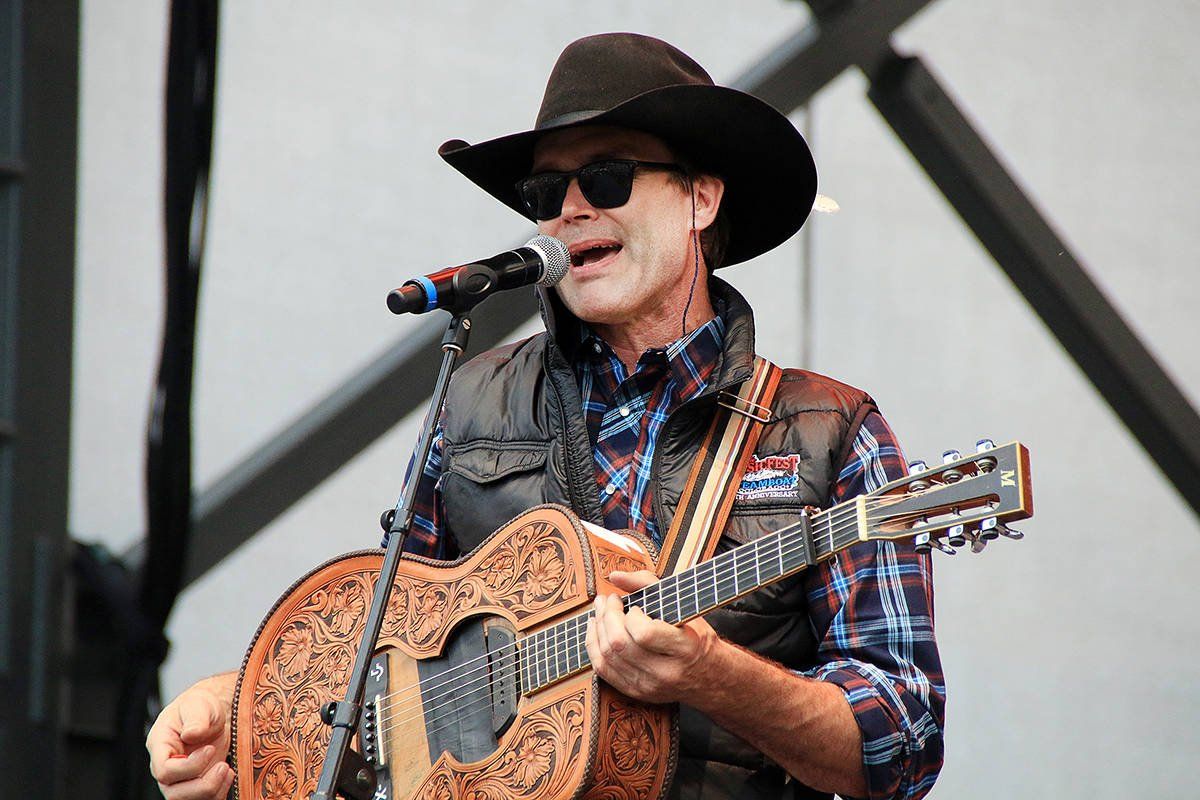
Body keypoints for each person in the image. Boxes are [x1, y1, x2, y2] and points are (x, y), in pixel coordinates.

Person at [147, 33, 944, 800]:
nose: (569, 209)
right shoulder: (469, 402)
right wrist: (238, 709)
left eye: (606, 177)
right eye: (544, 192)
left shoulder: (830, 430)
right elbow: (385, 651)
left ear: (700, 198)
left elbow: (904, 743)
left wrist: (715, 676)